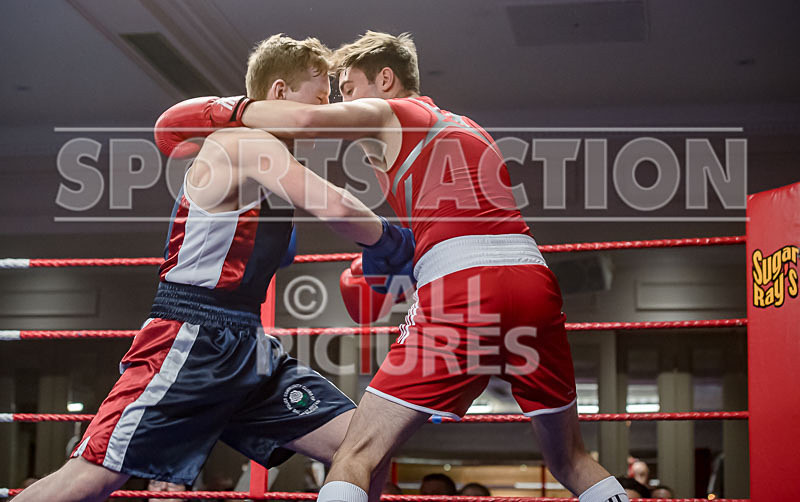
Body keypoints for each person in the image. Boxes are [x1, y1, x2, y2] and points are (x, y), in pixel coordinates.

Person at [157, 30, 628, 502]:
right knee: (569, 459)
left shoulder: (390, 111)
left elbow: (304, 118)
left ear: (385, 79)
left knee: (356, 455)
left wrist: (226, 110)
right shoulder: (465, 126)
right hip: (533, 284)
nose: (339, 104)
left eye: (347, 90)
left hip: (462, 285)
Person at [14, 34, 411, 502]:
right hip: (191, 335)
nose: (325, 112)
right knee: (93, 476)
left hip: (247, 346)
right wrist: (399, 241)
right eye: (320, 97)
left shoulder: (269, 161)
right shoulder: (241, 143)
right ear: (279, 92)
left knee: (362, 449)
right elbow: (339, 209)